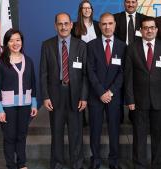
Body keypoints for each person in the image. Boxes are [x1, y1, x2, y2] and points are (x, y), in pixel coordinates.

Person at [124, 17, 161, 169]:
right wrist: (130, 100)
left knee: (158, 135)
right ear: (140, 30)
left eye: (152, 27)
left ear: (156, 29)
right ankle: (139, 164)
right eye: (145, 28)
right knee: (139, 135)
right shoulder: (132, 48)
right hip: (139, 101)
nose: (149, 30)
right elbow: (128, 77)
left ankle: (157, 163)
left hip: (160, 99)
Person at [40, 12, 88, 169]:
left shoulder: (81, 46)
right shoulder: (47, 45)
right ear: (55, 26)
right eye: (60, 24)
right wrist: (45, 97)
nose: (63, 27)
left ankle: (77, 163)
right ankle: (58, 163)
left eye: (66, 23)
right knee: (57, 132)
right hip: (55, 95)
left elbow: (85, 75)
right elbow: (43, 74)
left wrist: (84, 97)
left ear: (72, 25)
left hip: (75, 95)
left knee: (76, 132)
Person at [0, 28, 38, 169]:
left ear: (22, 42)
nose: (15, 43)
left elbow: (33, 84)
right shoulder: (0, 63)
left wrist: (34, 104)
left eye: (18, 40)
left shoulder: (28, 61)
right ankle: (11, 165)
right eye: (11, 40)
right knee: (9, 136)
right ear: (6, 43)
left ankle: (21, 163)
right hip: (7, 106)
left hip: (25, 105)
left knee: (21, 135)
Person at [87, 12, 126, 169]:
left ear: (115, 25)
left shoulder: (123, 46)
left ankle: (114, 160)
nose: (107, 26)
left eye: (110, 23)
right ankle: (95, 159)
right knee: (95, 130)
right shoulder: (91, 46)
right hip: (96, 96)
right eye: (104, 24)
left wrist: (110, 92)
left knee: (114, 130)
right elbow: (90, 71)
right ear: (99, 26)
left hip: (114, 96)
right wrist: (101, 92)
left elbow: (123, 73)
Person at [71, 0, 101, 127]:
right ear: (80, 11)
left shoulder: (98, 25)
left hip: (96, 62)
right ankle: (81, 118)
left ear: (92, 10)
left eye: (89, 8)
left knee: (94, 88)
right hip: (79, 62)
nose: (87, 10)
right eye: (84, 8)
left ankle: (95, 118)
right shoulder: (75, 26)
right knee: (80, 89)